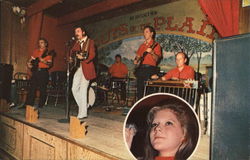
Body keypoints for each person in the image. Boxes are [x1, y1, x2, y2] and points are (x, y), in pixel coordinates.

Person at [70, 25, 96, 119]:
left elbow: (92, 54)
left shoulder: (90, 42)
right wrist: (71, 58)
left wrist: (84, 58)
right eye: (75, 32)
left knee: (83, 90)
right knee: (74, 88)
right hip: (78, 68)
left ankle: (82, 113)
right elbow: (72, 52)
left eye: (78, 31)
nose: (76, 33)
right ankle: (84, 105)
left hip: (87, 68)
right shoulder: (77, 43)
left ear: (83, 32)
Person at [134, 26, 162, 100]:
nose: (144, 34)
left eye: (146, 32)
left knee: (148, 91)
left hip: (150, 69)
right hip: (141, 69)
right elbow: (138, 56)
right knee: (140, 90)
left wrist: (152, 52)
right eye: (144, 32)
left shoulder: (156, 45)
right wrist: (136, 60)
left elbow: (157, 59)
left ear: (151, 33)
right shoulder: (142, 46)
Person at [25, 38, 52, 109]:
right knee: (32, 88)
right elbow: (31, 60)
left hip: (43, 72)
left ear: (45, 44)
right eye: (39, 42)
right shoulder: (35, 51)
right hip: (35, 71)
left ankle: (41, 105)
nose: (40, 44)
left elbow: (50, 64)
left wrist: (43, 61)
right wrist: (28, 64)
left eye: (42, 42)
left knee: (42, 89)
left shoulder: (48, 53)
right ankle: (28, 104)